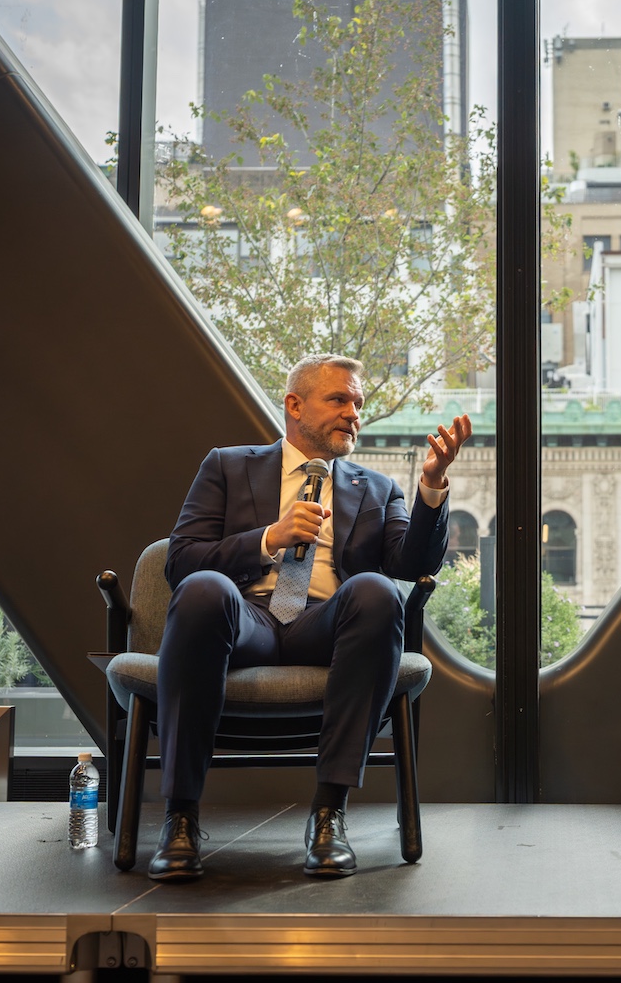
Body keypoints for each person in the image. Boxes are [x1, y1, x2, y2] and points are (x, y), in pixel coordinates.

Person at [149, 353, 472, 882]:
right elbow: (181, 561)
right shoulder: (227, 466)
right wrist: (268, 538)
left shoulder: (377, 489)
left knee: (376, 590)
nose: (353, 413)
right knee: (203, 588)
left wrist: (432, 486)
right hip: (246, 620)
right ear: (295, 405)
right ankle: (180, 818)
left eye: (358, 404)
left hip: (325, 625)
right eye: (339, 399)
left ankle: (329, 814)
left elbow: (413, 564)